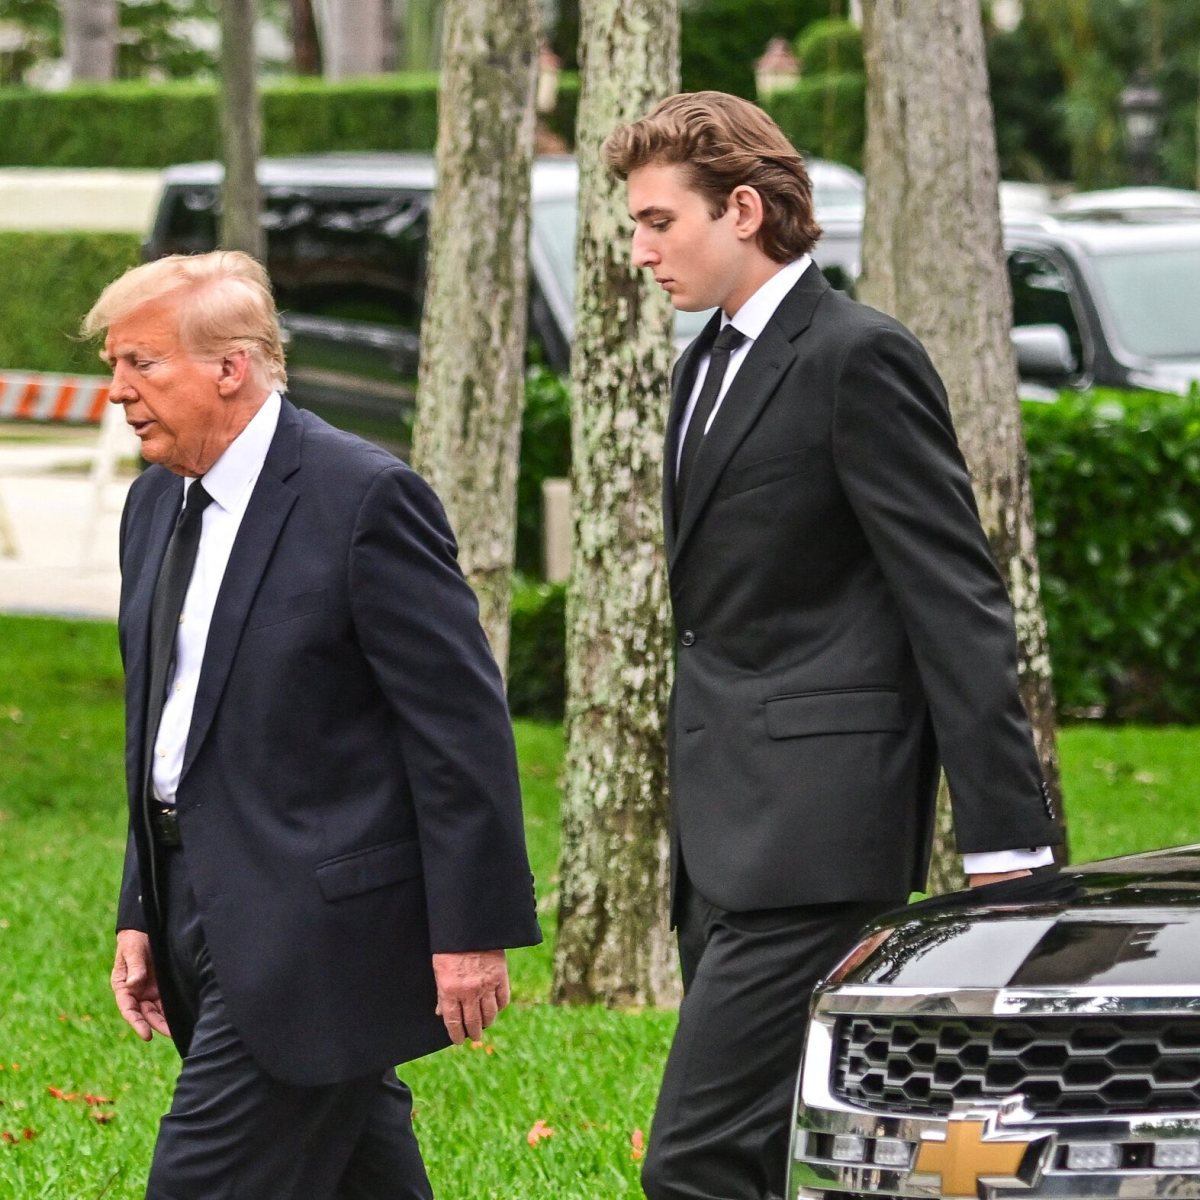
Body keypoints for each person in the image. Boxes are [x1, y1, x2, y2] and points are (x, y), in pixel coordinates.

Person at [604, 91, 1063, 1200]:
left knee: (695, 1164)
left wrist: (1006, 839)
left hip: (819, 833)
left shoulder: (859, 357)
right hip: (723, 836)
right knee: (769, 1159)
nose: (640, 250)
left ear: (746, 210)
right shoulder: (695, 366)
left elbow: (952, 597)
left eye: (661, 221)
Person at [85, 251, 541, 1199]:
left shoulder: (363, 498)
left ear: (231, 366)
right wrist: (140, 904)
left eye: (142, 364)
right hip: (196, 898)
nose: (118, 392)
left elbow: (458, 728)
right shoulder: (150, 503)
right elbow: (166, 732)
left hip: (318, 930)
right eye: (114, 366)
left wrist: (472, 927)